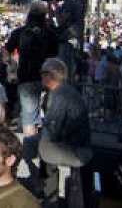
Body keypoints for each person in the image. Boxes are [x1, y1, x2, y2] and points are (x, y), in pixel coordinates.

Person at [37, 58, 91, 206]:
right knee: (42, 143)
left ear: (50, 76)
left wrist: (40, 140)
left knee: (43, 147)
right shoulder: (65, 91)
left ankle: (48, 196)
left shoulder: (60, 94)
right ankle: (47, 190)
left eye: (43, 73)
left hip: (76, 149)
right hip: (74, 143)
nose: (40, 77)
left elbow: (53, 127)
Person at [4, 4, 58, 138]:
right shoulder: (50, 34)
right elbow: (56, 56)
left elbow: (6, 51)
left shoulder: (20, 32)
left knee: (29, 117)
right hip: (48, 78)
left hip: (26, 77)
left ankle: (31, 147)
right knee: (51, 114)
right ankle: (48, 142)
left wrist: (11, 64)